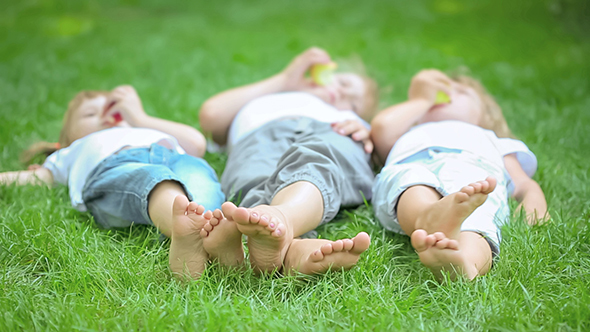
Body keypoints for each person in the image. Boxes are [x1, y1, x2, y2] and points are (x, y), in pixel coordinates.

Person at [0, 85, 225, 280]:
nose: (107, 116)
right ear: (65, 140)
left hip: (179, 160)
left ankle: (210, 236)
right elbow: (39, 177)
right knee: (153, 182)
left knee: (201, 181)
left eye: (115, 110)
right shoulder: (71, 151)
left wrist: (140, 118)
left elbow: (196, 145)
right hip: (115, 168)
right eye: (90, 114)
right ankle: (186, 228)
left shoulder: (144, 128)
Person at [198, 47, 377, 275]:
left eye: (354, 105)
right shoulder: (275, 96)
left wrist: (367, 132)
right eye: (342, 83)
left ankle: (283, 221)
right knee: (253, 176)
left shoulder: (349, 122)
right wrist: (285, 79)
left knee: (319, 159)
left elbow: (387, 141)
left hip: (332, 132)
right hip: (259, 136)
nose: (341, 94)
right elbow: (212, 115)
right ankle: (294, 249)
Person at [371, 69, 549, 281]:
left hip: (474, 175)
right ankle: (426, 216)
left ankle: (464, 264)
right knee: (412, 181)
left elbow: (524, 185)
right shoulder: (410, 131)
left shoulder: (493, 140)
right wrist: (421, 100)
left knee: (478, 216)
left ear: (484, 115)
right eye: (440, 90)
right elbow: (382, 127)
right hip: (416, 165)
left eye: (461, 92)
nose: (446, 92)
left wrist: (533, 211)